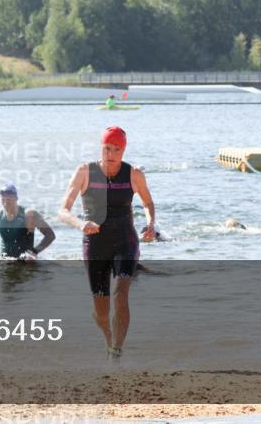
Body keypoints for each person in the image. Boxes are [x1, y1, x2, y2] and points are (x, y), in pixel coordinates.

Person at [58, 126, 156, 361]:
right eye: (106, 148)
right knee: (101, 312)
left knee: (120, 292)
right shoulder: (85, 172)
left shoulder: (134, 174)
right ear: (101, 147)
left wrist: (151, 223)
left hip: (125, 240)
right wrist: (80, 225)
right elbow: (63, 210)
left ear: (123, 150)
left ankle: (116, 351)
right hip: (95, 243)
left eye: (116, 149)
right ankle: (108, 338)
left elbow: (147, 202)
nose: (111, 154)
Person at [0, 183, 56, 262]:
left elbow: (50, 235)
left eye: (9, 194)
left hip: (26, 264)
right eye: (3, 194)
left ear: (16, 198)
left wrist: (34, 252)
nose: (5, 197)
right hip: (5, 261)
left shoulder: (29, 214)